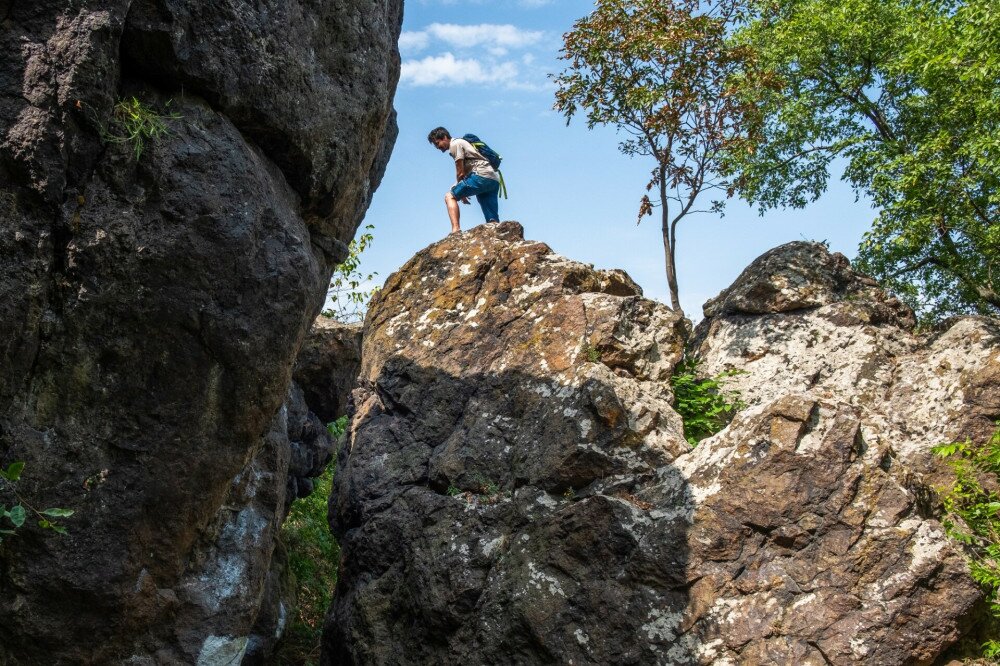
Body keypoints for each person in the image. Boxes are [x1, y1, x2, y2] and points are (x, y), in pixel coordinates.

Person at [427, 127, 500, 234]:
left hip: (481, 176)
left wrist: (461, 194)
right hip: (493, 179)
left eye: (437, 143)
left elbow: (460, 172)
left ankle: (455, 230)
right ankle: (496, 232)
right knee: (492, 220)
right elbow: (465, 173)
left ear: (445, 137)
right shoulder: (464, 143)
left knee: (450, 196)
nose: (437, 147)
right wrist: (459, 187)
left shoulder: (455, 144)